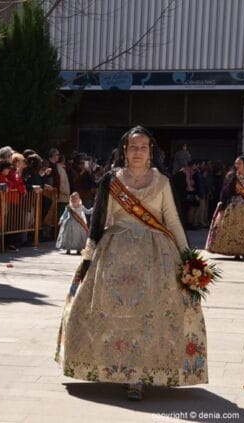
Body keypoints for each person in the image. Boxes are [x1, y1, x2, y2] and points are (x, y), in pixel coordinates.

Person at [56, 126, 207, 401]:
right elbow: (99, 221)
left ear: (151, 152)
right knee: (106, 312)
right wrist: (88, 258)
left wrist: (188, 257)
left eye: (143, 147)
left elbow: (171, 220)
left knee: (149, 317)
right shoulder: (111, 180)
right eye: (133, 147)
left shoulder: (161, 181)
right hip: (115, 253)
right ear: (124, 150)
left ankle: (139, 373)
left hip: (156, 256)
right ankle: (116, 368)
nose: (138, 152)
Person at [205, 155, 244, 260]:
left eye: (239, 163)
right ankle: (236, 252)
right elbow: (224, 191)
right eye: (236, 163)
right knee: (233, 228)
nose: (237, 165)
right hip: (234, 206)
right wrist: (222, 202)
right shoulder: (231, 176)